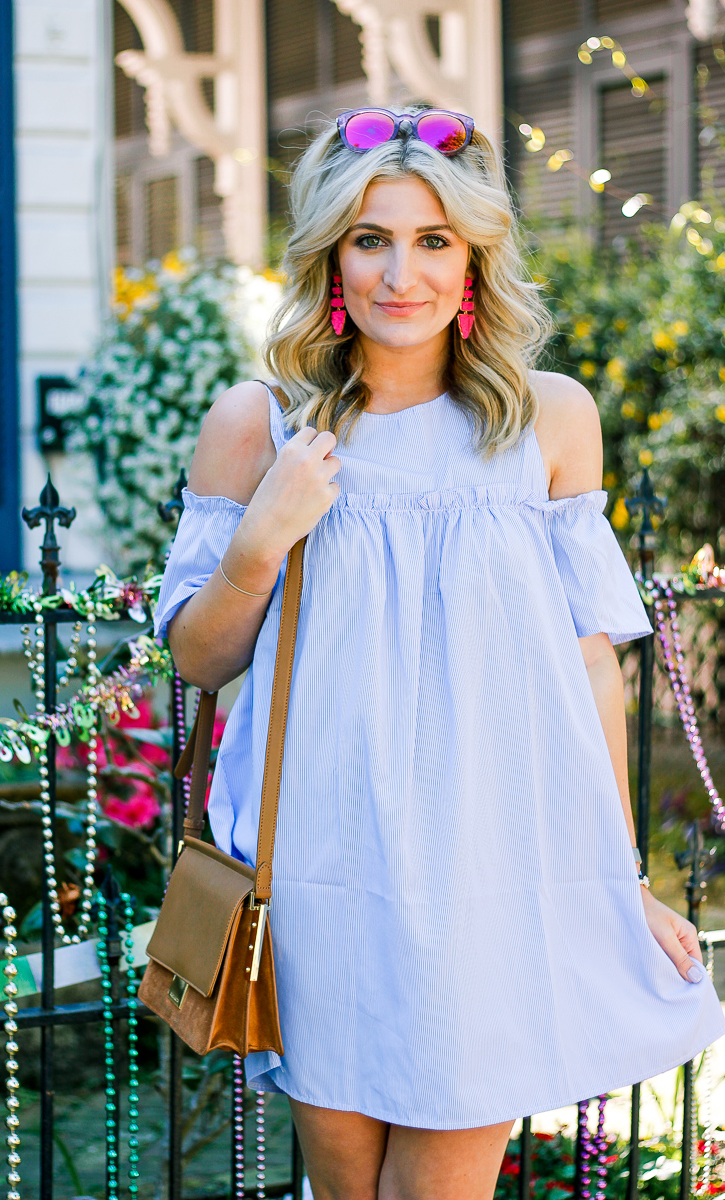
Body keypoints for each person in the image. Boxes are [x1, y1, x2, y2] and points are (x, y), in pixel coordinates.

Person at [153, 107, 725, 1200]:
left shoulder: (547, 422)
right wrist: (261, 541)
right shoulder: (257, 424)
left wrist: (618, 881)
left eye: (432, 241)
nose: (398, 274)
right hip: (317, 870)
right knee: (341, 1186)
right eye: (370, 239)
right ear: (328, 256)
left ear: (473, 258)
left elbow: (588, 663)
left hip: (489, 869)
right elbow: (196, 660)